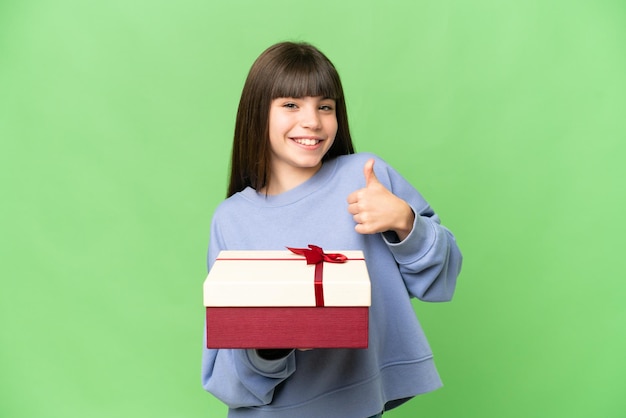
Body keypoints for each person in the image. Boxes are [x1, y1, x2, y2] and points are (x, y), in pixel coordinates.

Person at [201, 41, 462, 418]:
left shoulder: (366, 177)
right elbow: (225, 374)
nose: (313, 121)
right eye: (291, 104)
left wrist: (405, 221)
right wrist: (272, 344)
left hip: (362, 404)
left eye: (325, 106)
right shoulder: (230, 219)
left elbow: (442, 279)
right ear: (257, 113)